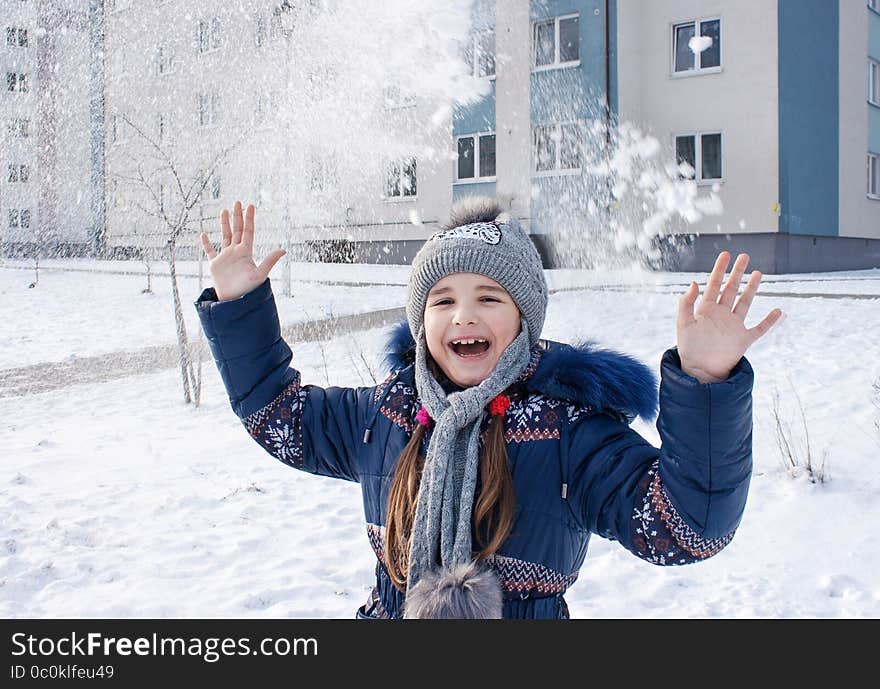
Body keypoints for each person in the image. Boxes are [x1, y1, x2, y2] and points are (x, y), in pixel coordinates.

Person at [194, 196, 783, 619]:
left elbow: (685, 527)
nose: (462, 316)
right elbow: (279, 415)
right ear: (421, 322)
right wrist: (240, 304)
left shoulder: (566, 431)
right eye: (442, 299)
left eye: (489, 297)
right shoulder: (387, 413)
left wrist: (706, 382)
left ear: (524, 319)